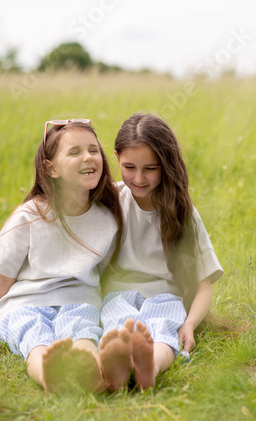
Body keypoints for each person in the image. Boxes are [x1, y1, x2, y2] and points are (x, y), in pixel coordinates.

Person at [0, 118, 123, 395]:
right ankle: (48, 374)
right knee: (35, 342)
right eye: (75, 152)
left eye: (94, 150)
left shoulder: (108, 215)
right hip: (26, 304)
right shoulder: (30, 216)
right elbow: (2, 281)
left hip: (79, 301)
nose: (89, 157)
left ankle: (93, 371)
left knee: (84, 334)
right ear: (51, 168)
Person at [99, 113, 224, 391]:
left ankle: (149, 368)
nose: (139, 178)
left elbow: (203, 285)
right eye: (129, 167)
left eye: (151, 169)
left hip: (165, 296)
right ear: (116, 157)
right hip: (117, 295)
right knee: (116, 327)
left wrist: (189, 324)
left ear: (166, 164)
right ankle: (117, 366)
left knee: (165, 331)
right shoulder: (110, 201)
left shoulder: (182, 213)